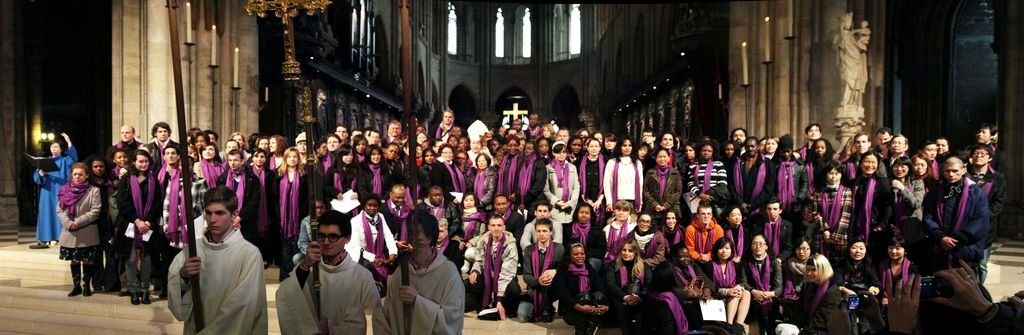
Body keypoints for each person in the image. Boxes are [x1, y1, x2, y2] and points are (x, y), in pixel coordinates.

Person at [168, 186, 268, 335]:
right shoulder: (193, 250)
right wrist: (183, 276)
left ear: (234, 215)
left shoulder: (249, 254)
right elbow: (177, 298)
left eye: (220, 213)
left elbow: (242, 305)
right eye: (208, 213)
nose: (212, 219)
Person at [277, 210, 380, 335]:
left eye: (333, 237)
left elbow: (373, 320)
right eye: (321, 236)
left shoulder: (362, 276)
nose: (326, 242)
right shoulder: (309, 270)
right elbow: (285, 296)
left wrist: (331, 328)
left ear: (347, 238)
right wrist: (304, 266)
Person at [923, 156, 989, 274]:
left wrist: (958, 239)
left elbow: (981, 220)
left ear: (963, 170)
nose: (951, 175)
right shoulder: (935, 192)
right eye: (948, 171)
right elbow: (928, 217)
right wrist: (941, 237)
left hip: (965, 250)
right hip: (940, 249)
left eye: (955, 171)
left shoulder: (976, 193)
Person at [57, 162, 103, 297]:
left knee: (87, 260)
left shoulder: (94, 190)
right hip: (69, 231)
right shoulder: (64, 190)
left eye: (80, 174)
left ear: (87, 176)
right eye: (75, 174)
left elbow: (95, 211)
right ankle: (76, 286)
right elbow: (60, 209)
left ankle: (86, 286)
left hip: (86, 231)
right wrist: (68, 223)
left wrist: (77, 222)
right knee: (74, 260)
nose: (77, 177)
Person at [465, 215, 520, 319]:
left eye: (499, 225)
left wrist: (499, 299)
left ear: (504, 228)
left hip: (505, 277)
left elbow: (506, 274)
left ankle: (507, 307)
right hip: (488, 275)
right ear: (489, 227)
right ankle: (482, 302)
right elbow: (479, 260)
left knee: (514, 289)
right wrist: (475, 271)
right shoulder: (483, 240)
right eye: (493, 225)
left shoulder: (510, 244)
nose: (496, 228)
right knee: (470, 282)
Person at [966, 145, 1005, 284]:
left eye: (983, 154)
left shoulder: (997, 178)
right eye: (976, 153)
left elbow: (998, 203)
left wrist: (982, 219)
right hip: (963, 225)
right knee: (964, 264)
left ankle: (980, 293)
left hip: (985, 228)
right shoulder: (964, 175)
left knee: (981, 265)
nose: (979, 156)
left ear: (990, 158)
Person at [804, 161, 854, 265]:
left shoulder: (846, 191)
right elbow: (816, 213)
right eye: (830, 173)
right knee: (821, 264)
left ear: (841, 174)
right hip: (821, 235)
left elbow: (845, 216)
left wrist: (834, 238)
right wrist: (825, 230)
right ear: (826, 174)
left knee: (838, 266)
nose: (833, 177)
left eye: (837, 173)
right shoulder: (819, 192)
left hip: (840, 235)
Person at [33, 133, 77, 248]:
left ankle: (59, 237)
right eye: (52, 147)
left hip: (60, 190)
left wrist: (68, 141)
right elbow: (36, 179)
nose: (54, 149)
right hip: (47, 192)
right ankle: (46, 237)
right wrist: (41, 175)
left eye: (56, 147)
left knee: (60, 214)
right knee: (47, 213)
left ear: (61, 149)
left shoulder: (64, 160)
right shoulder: (43, 161)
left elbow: (73, 158)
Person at [554, 242, 609, 335]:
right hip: (571, 310)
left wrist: (606, 306)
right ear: (569, 256)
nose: (580, 256)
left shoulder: (590, 269)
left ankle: (589, 332)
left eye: (582, 253)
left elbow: (601, 289)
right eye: (576, 254)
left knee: (599, 296)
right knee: (585, 296)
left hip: (591, 310)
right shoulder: (563, 272)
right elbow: (564, 294)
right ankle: (579, 332)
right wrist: (579, 307)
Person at [518, 219, 565, 323]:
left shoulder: (559, 249)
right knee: (522, 316)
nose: (541, 234)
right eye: (538, 231)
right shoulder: (529, 250)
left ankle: (547, 308)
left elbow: (564, 271)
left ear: (551, 232)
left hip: (552, 288)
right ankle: (543, 307)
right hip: (534, 288)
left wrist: (555, 271)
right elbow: (526, 275)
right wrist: (538, 281)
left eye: (544, 231)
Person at [346, 195, 398, 284]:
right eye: (369, 205)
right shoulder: (355, 221)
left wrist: (393, 252)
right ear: (364, 206)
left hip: (377, 253)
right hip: (360, 255)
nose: (372, 208)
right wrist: (373, 258)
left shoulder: (380, 217)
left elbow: (388, 235)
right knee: (368, 268)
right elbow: (355, 246)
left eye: (375, 206)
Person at [605, 239, 651, 335]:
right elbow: (610, 284)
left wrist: (639, 297)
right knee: (621, 308)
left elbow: (649, 283)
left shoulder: (643, 265)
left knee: (643, 308)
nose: (626, 253)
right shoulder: (613, 265)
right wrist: (624, 297)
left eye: (630, 251)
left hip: (639, 298)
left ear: (636, 253)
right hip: (620, 298)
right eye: (624, 250)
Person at [276, 148, 309, 280]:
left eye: (295, 157)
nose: (292, 159)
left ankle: (297, 275)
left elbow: (306, 198)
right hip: (282, 218)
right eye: (289, 157)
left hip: (297, 217)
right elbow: (273, 197)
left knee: (297, 246)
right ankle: (285, 276)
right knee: (284, 247)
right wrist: (279, 214)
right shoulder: (278, 174)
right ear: (285, 158)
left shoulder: (303, 175)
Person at [217, 149, 261, 244]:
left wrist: (240, 217)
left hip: (247, 222)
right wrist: (230, 218)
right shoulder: (222, 178)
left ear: (242, 161)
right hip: (227, 221)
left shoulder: (252, 178)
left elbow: (254, 202)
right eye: (230, 160)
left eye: (236, 160)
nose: (232, 163)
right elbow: (220, 200)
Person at [789, 254, 842, 334]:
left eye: (813, 270)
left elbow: (822, 317)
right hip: (806, 327)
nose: (809, 273)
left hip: (823, 330)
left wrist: (805, 332)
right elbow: (800, 310)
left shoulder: (832, 290)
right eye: (808, 269)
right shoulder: (807, 285)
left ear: (823, 270)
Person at [708, 237, 751, 330]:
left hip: (733, 295)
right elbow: (710, 288)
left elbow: (740, 282)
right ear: (716, 250)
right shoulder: (709, 265)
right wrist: (727, 291)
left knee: (746, 293)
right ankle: (729, 325)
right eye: (721, 248)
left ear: (731, 251)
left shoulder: (735, 265)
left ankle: (738, 325)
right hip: (718, 296)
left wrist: (738, 289)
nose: (724, 251)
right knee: (735, 293)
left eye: (727, 248)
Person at [746, 234, 783, 335]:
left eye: (761, 244)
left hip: (770, 296)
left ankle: (770, 331)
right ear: (751, 246)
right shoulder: (746, 262)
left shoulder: (774, 262)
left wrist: (769, 294)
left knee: (772, 306)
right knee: (757, 306)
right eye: (754, 244)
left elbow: (779, 286)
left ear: (766, 246)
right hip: (753, 296)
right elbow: (743, 282)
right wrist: (754, 291)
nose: (758, 246)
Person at [544, 141, 580, 229]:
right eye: (558, 152)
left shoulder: (572, 167)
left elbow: (576, 188)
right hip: (555, 209)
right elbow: (546, 190)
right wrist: (556, 201)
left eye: (563, 152)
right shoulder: (548, 168)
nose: (561, 154)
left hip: (570, 208)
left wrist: (570, 203)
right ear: (553, 153)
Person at [686, 141, 730, 213]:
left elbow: (722, 184)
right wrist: (700, 195)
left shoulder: (718, 164)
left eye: (709, 151)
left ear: (713, 153)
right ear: (700, 151)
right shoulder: (693, 166)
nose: (706, 153)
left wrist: (708, 196)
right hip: (697, 200)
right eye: (704, 150)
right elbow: (690, 184)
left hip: (714, 201)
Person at [643, 148, 683, 225]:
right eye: (660, 157)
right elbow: (645, 191)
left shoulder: (675, 173)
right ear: (656, 159)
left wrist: (667, 205)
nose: (662, 159)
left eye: (664, 156)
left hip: (671, 209)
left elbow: (678, 192)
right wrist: (655, 205)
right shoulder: (650, 172)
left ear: (668, 158)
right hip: (653, 210)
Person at [603, 137, 644, 213]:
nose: (627, 148)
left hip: (633, 200)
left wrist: (640, 202)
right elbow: (607, 183)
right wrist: (609, 201)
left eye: (630, 145)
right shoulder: (612, 162)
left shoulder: (637, 163)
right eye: (624, 145)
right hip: (617, 200)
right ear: (620, 147)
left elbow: (640, 184)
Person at [578, 137, 608, 225]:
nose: (594, 148)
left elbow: (608, 181)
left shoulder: (606, 160)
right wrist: (586, 199)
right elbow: (578, 181)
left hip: (601, 198)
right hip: (585, 197)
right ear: (587, 148)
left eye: (596, 146)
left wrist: (599, 200)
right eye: (591, 146)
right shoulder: (580, 161)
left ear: (600, 148)